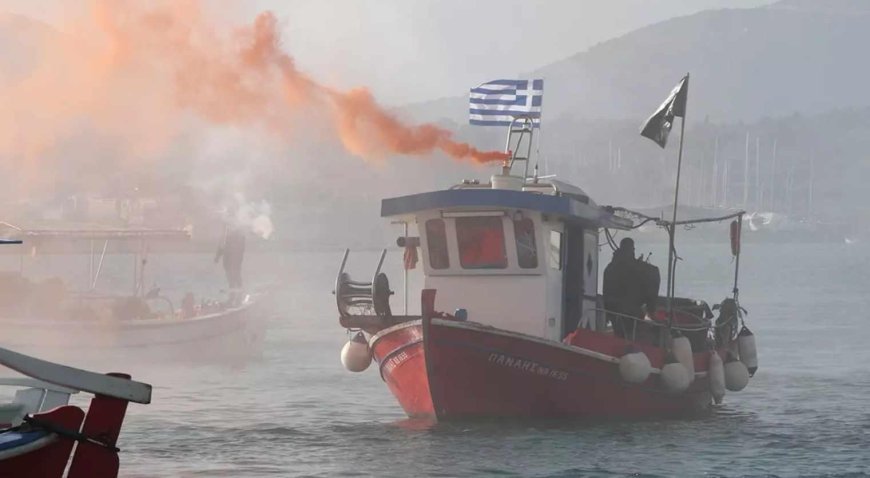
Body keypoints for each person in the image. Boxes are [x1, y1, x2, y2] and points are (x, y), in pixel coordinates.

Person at [602, 237, 658, 338]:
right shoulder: (641, 268)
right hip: (632, 313)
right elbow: (653, 274)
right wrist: (651, 309)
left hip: (614, 312)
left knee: (619, 334)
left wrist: (607, 315)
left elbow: (606, 293)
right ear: (632, 249)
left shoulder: (609, 268)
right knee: (630, 334)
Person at [215, 222, 246, 293]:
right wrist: (217, 257)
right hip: (228, 262)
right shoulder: (226, 238)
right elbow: (221, 248)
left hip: (235, 262)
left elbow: (241, 247)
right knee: (231, 276)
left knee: (236, 274)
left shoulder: (238, 238)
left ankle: (238, 289)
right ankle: (233, 290)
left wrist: (217, 257)